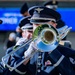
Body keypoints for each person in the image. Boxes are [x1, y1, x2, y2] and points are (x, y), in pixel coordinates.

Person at [8, 6, 75, 75]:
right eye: (36, 24)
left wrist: (53, 51)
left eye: (44, 24)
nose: (40, 28)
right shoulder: (20, 51)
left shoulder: (66, 52)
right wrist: (26, 58)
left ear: (54, 26)